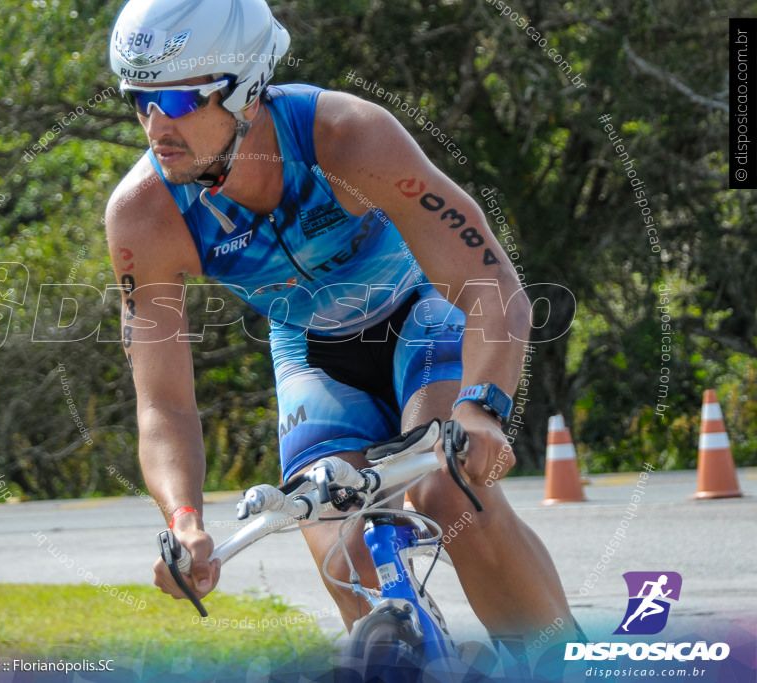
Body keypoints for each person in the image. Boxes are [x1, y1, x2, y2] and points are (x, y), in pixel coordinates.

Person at [105, 0, 577, 662]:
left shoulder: (348, 137)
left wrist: (482, 406)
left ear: (243, 89)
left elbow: (492, 287)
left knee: (449, 491)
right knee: (345, 557)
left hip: (419, 314)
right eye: (139, 101)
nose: (156, 125)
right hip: (311, 350)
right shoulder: (143, 215)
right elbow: (163, 404)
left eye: (179, 101)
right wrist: (185, 522)